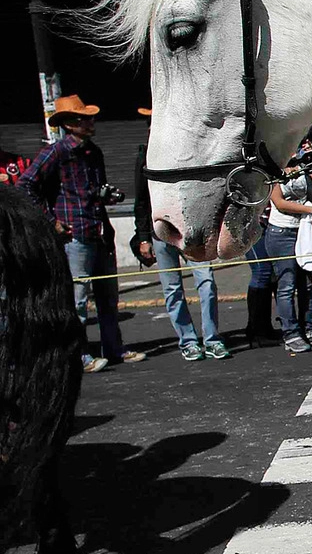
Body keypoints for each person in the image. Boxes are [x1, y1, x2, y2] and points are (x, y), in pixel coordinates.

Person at [19, 95, 145, 372]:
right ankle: (79, 355)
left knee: (108, 297)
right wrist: (50, 221)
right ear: (68, 124)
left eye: (90, 117)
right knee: (77, 300)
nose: (90, 122)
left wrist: (105, 196)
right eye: (83, 119)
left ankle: (114, 348)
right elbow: (25, 185)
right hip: (74, 235)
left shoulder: (93, 152)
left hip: (100, 232)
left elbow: (93, 190)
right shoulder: (56, 152)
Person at [130, 109, 227, 361]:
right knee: (172, 288)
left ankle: (212, 338)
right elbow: (141, 200)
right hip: (161, 232)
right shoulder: (146, 155)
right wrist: (143, 236)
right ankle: (188, 341)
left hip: (192, 230)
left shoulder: (187, 150)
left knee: (207, 283)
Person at [265, 126, 312, 354]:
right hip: (282, 232)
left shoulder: (303, 167)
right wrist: (311, 210)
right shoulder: (274, 171)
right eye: (299, 143)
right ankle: (291, 332)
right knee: (287, 285)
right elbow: (279, 202)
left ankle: (311, 327)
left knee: (308, 284)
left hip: (304, 230)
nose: (303, 146)